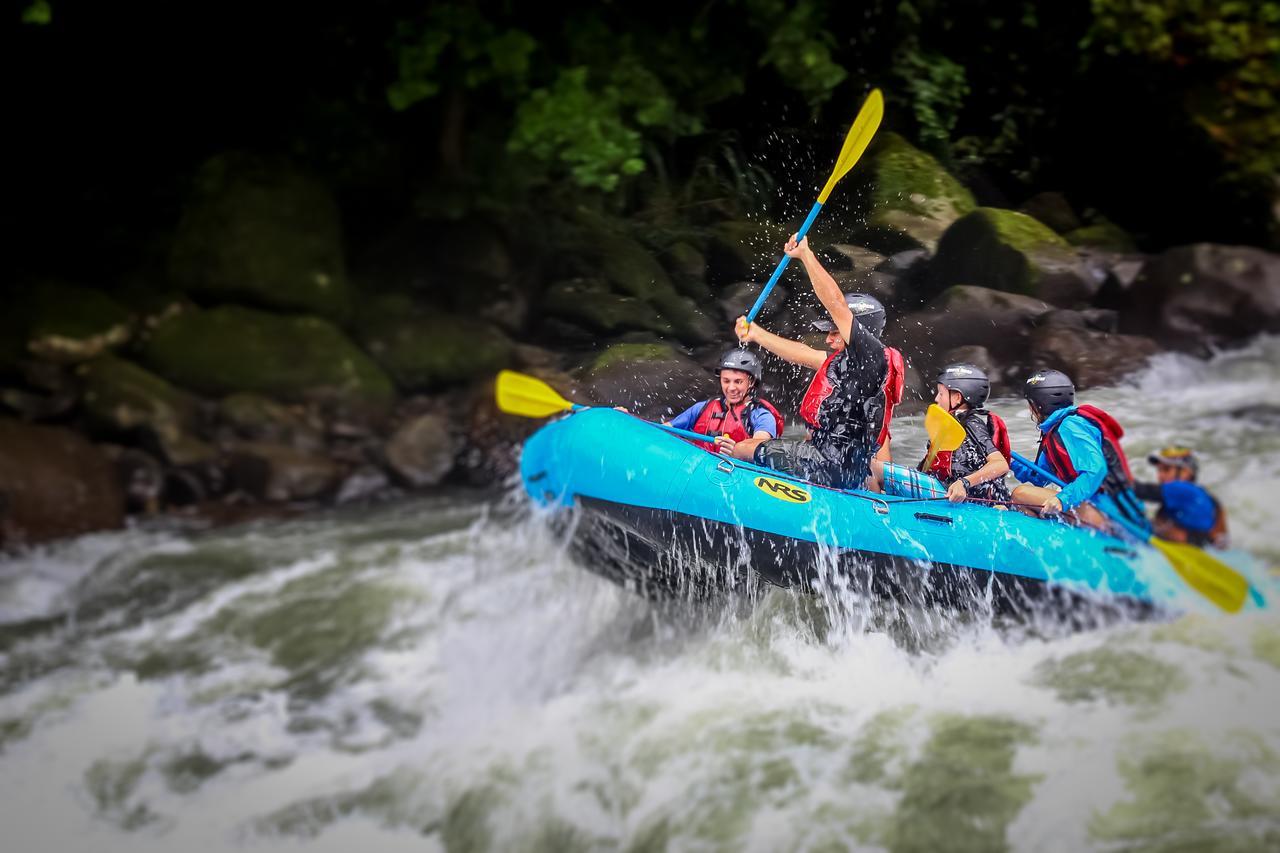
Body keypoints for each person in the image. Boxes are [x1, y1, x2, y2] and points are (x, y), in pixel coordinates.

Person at [733, 234, 905, 489]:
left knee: (742, 449)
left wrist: (805, 255)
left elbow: (835, 303)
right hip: (831, 459)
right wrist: (757, 334)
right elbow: (801, 353)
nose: (827, 338)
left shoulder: (871, 357)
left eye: (834, 330)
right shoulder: (847, 363)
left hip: (832, 464)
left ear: (858, 330)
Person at [1010, 369, 1149, 533]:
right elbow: (1039, 477)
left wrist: (1063, 500)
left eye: (1031, 404)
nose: (1030, 409)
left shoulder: (1071, 426)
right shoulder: (1055, 430)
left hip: (1115, 515)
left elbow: (1095, 470)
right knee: (1023, 505)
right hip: (1096, 507)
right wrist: (1008, 459)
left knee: (1020, 494)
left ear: (1039, 404)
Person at [875, 363, 1012, 503]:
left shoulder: (972, 423)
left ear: (957, 398)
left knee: (874, 468)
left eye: (941, 394)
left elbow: (1000, 464)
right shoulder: (951, 423)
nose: (936, 399)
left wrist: (964, 483)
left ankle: (872, 513)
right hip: (940, 486)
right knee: (877, 469)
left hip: (949, 493)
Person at [665, 347, 783, 460]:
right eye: (726, 381)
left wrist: (738, 451)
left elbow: (761, 446)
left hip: (738, 473)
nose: (731, 388)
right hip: (700, 468)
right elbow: (665, 430)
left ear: (751, 382)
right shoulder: (703, 408)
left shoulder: (761, 415)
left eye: (738, 381)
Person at [1135, 446, 1229, 548]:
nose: (1160, 476)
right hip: (1201, 548)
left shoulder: (1184, 489)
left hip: (1193, 549)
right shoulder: (1200, 494)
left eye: (1166, 469)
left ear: (1186, 472)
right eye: (1159, 470)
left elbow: (1140, 490)